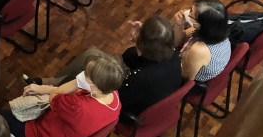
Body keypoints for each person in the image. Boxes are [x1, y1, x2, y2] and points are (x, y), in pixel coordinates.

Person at [25, 15, 182, 120]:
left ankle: (50, 90)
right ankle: (53, 82)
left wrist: (137, 42)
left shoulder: (142, 78)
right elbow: (130, 56)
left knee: (88, 74)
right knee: (91, 54)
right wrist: (142, 35)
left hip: (126, 108)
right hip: (139, 89)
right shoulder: (171, 53)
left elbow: (113, 96)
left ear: (144, 45)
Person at [0, 54, 124, 137]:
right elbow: (69, 94)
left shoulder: (78, 107)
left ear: (96, 87)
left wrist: (77, 82)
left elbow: (54, 96)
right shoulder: (114, 97)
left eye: (86, 74)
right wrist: (44, 88)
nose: (83, 73)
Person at [173, 0, 232, 82]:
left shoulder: (198, 50)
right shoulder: (217, 29)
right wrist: (179, 25)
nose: (187, 13)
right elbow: (177, 42)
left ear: (199, 24)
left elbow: (185, 76)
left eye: (191, 12)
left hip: (192, 80)